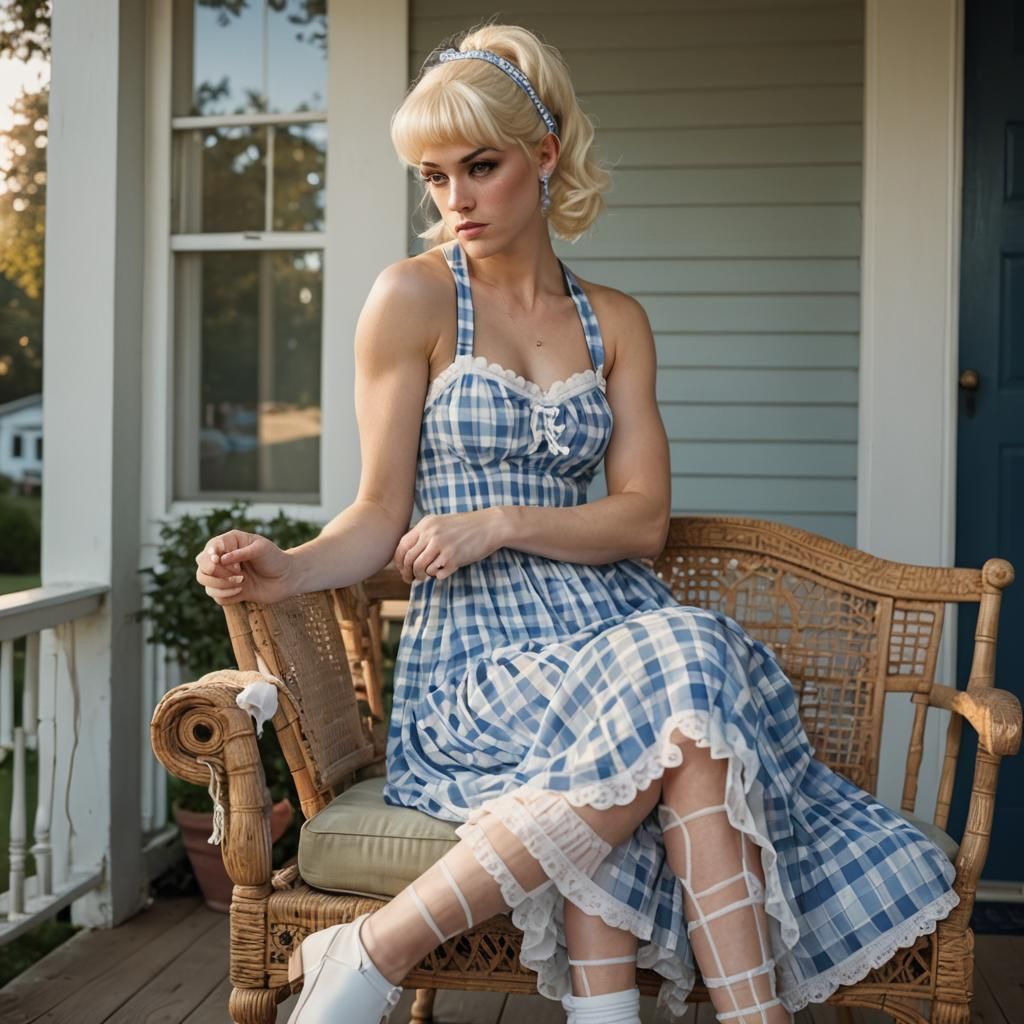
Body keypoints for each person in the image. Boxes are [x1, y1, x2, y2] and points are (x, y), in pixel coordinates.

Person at [193, 24, 960, 1024]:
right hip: (481, 660)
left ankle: (379, 948)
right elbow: (379, 511)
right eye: (434, 177)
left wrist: (498, 520)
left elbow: (642, 523)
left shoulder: (616, 321)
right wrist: (288, 567)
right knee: (686, 686)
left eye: (481, 167)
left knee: (678, 700)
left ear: (545, 155)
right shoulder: (412, 296)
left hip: (612, 629)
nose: (457, 200)